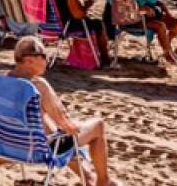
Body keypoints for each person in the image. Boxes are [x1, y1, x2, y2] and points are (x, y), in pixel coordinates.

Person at [9, 36, 117, 186]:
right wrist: (71, 125)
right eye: (44, 56)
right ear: (29, 60)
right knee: (96, 126)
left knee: (56, 130)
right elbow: (66, 125)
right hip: (40, 148)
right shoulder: (37, 86)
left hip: (8, 145)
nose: (47, 61)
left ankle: (88, 178)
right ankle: (104, 181)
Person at [104, 0, 177, 64]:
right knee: (160, 26)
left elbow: (155, 0)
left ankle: (168, 44)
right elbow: (122, 10)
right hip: (134, 21)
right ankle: (167, 53)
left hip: (152, 14)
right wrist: (140, 9)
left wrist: (167, 13)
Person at [49, 0, 111, 66]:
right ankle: (105, 58)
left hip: (52, 24)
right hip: (66, 25)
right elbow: (79, 15)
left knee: (94, 22)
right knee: (98, 24)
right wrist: (88, 5)